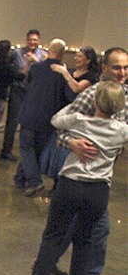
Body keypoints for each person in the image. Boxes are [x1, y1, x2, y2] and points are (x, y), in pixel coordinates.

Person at [18, 81, 127, 275]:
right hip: (98, 190)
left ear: (95, 101)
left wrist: (75, 107)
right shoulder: (122, 130)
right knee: (84, 240)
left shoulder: (79, 121)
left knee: (52, 238)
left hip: (70, 186)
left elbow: (56, 120)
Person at [51, 47, 128, 275]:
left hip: (102, 176)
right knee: (97, 227)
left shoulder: (125, 97)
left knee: (82, 226)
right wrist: (72, 143)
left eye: (126, 68)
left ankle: (55, 265)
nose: (122, 72)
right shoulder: (91, 95)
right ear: (104, 68)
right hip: (79, 174)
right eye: (117, 67)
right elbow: (61, 125)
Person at [13, 38, 72, 196]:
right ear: (62, 53)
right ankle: (19, 178)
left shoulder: (36, 68)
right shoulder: (65, 74)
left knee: (26, 149)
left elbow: (31, 83)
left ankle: (34, 181)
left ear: (49, 50)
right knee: (36, 150)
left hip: (30, 113)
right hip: (48, 118)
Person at [40, 47, 101, 180]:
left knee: (66, 152)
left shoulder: (91, 76)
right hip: (62, 112)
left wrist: (64, 72)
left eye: (80, 56)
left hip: (77, 116)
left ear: (88, 60)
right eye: (76, 56)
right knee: (56, 146)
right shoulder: (73, 72)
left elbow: (77, 88)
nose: (76, 58)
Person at [0, 29, 47, 161]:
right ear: (27, 40)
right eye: (30, 39)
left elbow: (45, 71)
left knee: (30, 124)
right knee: (12, 122)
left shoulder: (43, 55)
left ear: (39, 41)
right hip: (17, 90)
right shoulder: (17, 53)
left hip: (33, 93)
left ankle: (28, 152)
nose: (32, 42)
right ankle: (6, 151)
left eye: (35, 40)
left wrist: (36, 61)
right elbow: (5, 65)